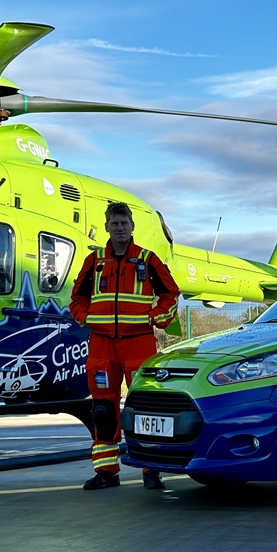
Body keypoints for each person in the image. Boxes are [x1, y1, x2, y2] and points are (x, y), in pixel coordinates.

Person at [69, 201, 181, 490]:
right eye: (115, 223)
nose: (120, 228)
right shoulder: (93, 262)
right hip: (102, 345)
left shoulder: (147, 259)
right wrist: (85, 317)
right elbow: (77, 298)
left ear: (132, 227)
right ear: (107, 226)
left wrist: (158, 316)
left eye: (124, 223)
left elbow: (170, 293)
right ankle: (107, 472)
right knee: (103, 411)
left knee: (145, 407)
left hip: (139, 343)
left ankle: (151, 469)